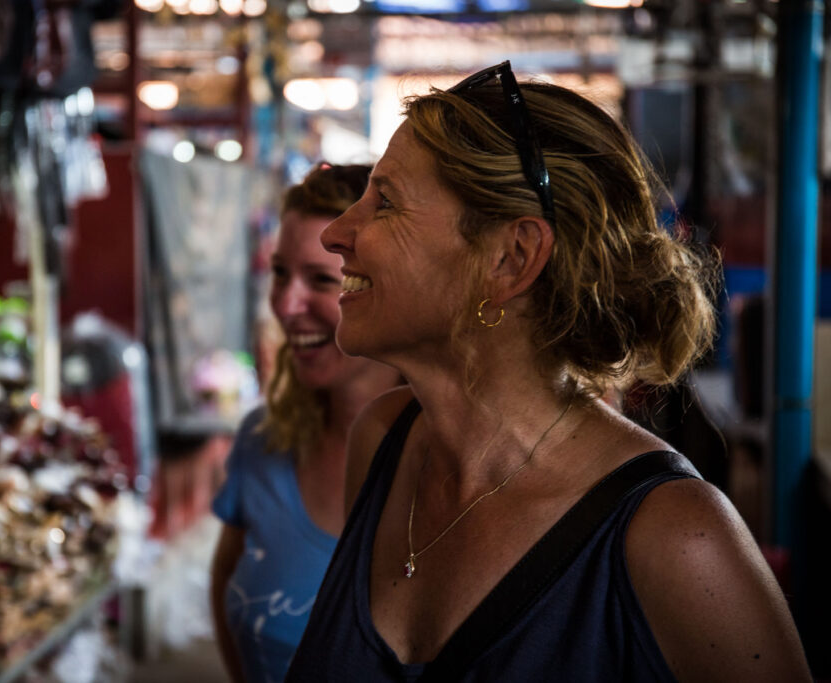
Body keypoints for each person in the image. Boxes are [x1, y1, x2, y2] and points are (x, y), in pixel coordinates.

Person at [287, 63, 810, 682]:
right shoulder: (383, 443)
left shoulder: (676, 538)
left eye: (387, 202)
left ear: (511, 257)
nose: (338, 232)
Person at [210, 164, 401, 683]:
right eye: (278, 273)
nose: (286, 305)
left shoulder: (452, 461)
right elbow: (227, 579)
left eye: (320, 279)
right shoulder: (262, 440)